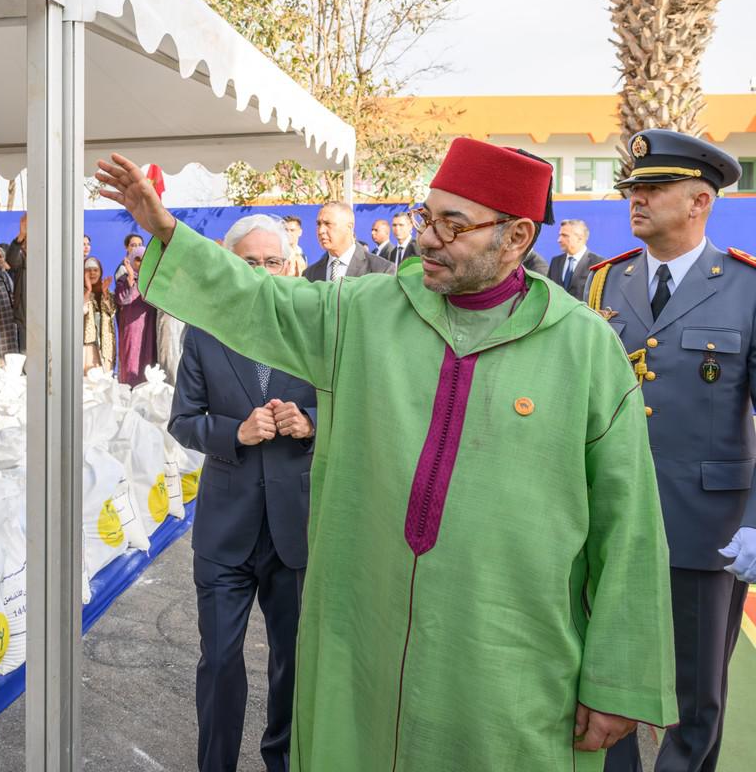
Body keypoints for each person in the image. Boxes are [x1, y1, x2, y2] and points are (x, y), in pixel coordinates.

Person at [96, 144, 678, 771]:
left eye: (452, 225)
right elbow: (261, 303)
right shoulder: (366, 311)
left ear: (515, 237)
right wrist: (165, 230)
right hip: (368, 644)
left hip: (507, 661)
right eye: (427, 217)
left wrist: (617, 680)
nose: (427, 238)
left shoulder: (583, 348)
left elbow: (628, 526)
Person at [587, 130, 754, 772]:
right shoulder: (604, 283)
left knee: (695, 695)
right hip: (611, 516)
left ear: (699, 201)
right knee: (607, 676)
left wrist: (755, 521)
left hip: (706, 524)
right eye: (633, 188)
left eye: (654, 189)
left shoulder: (745, 286)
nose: (636, 199)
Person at [168, 214, 315, 772]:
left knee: (292, 664)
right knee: (221, 662)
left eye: (272, 261)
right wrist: (235, 432)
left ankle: (282, 760)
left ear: (289, 265)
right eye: (249, 262)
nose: (261, 272)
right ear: (229, 265)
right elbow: (183, 421)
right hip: (225, 530)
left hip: (293, 529)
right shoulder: (204, 331)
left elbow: (352, 402)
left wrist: (312, 421)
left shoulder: (312, 328)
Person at [303, 203, 393, 282]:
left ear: (349, 227)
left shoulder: (381, 270)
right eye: (318, 224)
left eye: (328, 224)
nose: (321, 230)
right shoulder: (310, 274)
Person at [114, 246, 157, 387]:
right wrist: (131, 278)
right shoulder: (124, 279)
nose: (142, 262)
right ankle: (130, 392)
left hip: (150, 326)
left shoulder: (153, 280)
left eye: (145, 259)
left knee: (149, 359)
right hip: (132, 327)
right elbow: (122, 299)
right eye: (138, 259)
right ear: (132, 261)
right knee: (131, 360)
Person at [548, 219, 603, 298]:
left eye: (564, 235)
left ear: (580, 238)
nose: (559, 240)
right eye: (559, 235)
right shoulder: (555, 262)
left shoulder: (597, 263)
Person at [0, 238, 19, 367]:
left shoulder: (6, 275)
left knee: (11, 362)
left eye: (1, 257)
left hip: (9, 324)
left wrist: (1, 260)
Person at [83, 256, 115, 373]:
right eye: (88, 270)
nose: (92, 273)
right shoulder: (78, 291)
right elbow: (79, 312)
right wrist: (88, 290)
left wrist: (105, 293)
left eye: (95, 270)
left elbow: (112, 311)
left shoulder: (106, 291)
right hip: (87, 341)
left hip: (105, 341)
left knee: (104, 376)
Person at [5, 214, 27, 352]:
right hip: (25, 318)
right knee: (26, 356)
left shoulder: (51, 258)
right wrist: (21, 236)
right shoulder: (22, 258)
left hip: (47, 316)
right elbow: (11, 261)